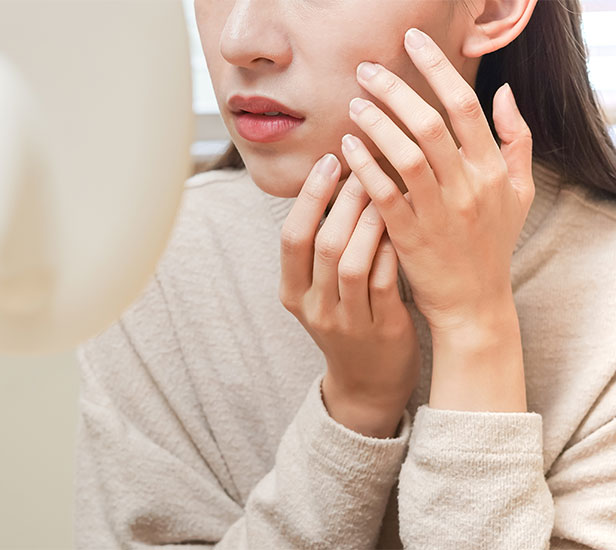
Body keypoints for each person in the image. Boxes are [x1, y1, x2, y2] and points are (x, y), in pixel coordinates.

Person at [74, 0, 616, 548]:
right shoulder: (155, 260)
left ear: (491, 10)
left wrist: (475, 325)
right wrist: (355, 407)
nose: (238, 41)